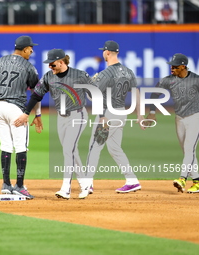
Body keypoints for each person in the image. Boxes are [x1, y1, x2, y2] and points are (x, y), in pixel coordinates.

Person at [15, 49, 96, 199]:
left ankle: (66, 188)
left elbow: (94, 96)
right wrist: (26, 113)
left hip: (78, 114)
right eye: (49, 65)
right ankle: (85, 184)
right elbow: (36, 95)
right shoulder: (48, 77)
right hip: (61, 117)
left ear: (61, 62)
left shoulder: (79, 75)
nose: (50, 67)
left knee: (68, 149)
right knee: (71, 151)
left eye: (52, 65)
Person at [0, 35, 42, 200]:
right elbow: (36, 93)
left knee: (6, 145)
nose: (32, 51)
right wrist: (37, 114)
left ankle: (6, 184)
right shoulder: (29, 66)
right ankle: (20, 186)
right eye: (30, 48)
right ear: (23, 49)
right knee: (21, 147)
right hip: (17, 109)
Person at [85, 40, 145, 194]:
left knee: (94, 147)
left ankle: (87, 183)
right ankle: (132, 180)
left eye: (103, 51)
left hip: (107, 115)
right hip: (121, 113)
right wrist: (140, 114)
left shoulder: (106, 73)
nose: (103, 54)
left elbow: (94, 95)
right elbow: (136, 93)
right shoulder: (128, 71)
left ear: (107, 52)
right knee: (115, 148)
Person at [146, 53, 199, 193]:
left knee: (189, 148)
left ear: (183, 66)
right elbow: (154, 93)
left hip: (195, 117)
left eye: (175, 66)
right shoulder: (169, 80)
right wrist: (152, 112)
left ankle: (182, 179)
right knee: (187, 151)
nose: (172, 68)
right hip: (179, 118)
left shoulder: (195, 80)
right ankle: (197, 181)